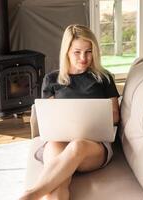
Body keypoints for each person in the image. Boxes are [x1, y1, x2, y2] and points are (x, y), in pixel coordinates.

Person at [19, 24, 120, 200]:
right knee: (56, 188)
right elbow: (48, 119)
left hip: (93, 146)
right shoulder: (51, 80)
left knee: (77, 145)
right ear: (66, 51)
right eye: (77, 52)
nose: (84, 57)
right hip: (59, 142)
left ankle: (31, 195)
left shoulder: (103, 78)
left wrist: (88, 121)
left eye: (89, 51)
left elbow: (115, 116)